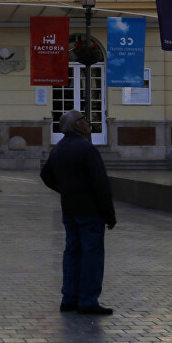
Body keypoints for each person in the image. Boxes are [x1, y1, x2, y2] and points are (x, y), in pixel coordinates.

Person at [40, 109, 116, 316]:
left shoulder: (59, 148)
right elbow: (101, 184)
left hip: (70, 210)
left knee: (72, 253)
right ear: (76, 125)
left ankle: (69, 298)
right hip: (90, 211)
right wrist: (109, 215)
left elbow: (45, 175)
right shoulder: (86, 149)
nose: (88, 123)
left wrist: (66, 190)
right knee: (91, 255)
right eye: (84, 120)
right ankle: (87, 301)